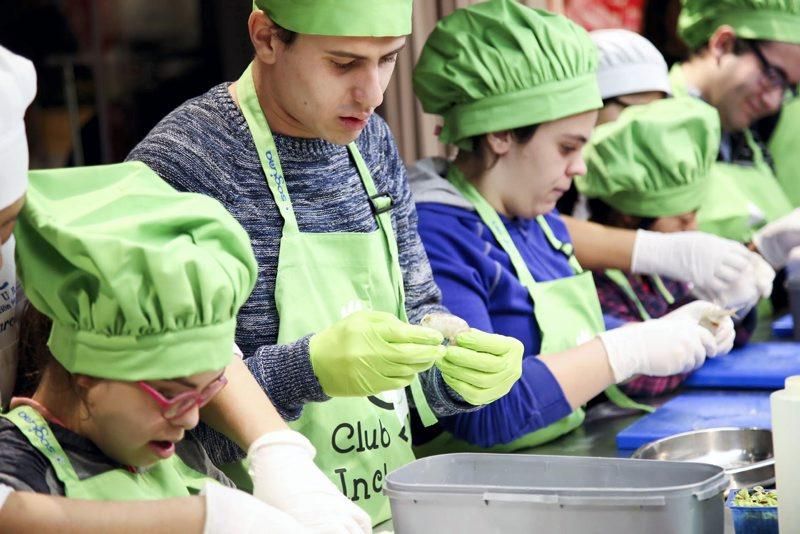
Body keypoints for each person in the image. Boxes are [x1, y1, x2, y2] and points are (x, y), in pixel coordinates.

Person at [128, 0, 523, 525]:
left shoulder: (373, 145)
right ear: (266, 37)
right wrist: (306, 370)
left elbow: (416, 313)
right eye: (343, 64)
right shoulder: (184, 165)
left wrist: (450, 363)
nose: (373, 94)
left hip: (382, 510)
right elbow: (156, 413)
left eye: (389, 59)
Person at [0, 45, 369, 534]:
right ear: (86, 373)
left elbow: (174, 340)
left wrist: (281, 453)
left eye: (7, 222)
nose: (194, 420)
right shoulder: (28, 464)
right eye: (173, 395)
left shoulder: (152, 440)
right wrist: (199, 521)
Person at [408, 0, 735, 453]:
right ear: (501, 134)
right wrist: (626, 349)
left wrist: (680, 325)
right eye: (566, 147)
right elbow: (481, 411)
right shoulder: (437, 234)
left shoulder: (536, 222)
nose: (580, 167)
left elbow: (578, 332)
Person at [577, 96, 753, 397]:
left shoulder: (663, 274)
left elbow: (716, 334)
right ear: (628, 216)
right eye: (682, 221)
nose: (693, 230)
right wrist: (692, 341)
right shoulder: (596, 282)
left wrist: (731, 312)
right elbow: (639, 377)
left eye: (696, 215)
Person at [670, 0, 800, 253]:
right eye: (773, 76)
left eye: (788, 88)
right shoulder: (650, 128)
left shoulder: (746, 141)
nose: (773, 101)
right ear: (723, 44)